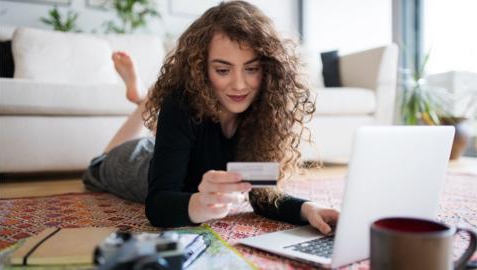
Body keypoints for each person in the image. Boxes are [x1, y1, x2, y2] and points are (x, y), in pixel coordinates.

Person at [83, 1, 339, 234]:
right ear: (201, 69)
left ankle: (146, 100)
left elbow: (262, 195)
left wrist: (307, 209)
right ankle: (145, 100)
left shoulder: (263, 108)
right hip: (136, 164)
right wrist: (199, 204)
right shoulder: (181, 102)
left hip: (168, 150)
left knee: (164, 142)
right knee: (100, 163)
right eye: (223, 70)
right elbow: (158, 205)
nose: (239, 85)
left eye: (251, 69)